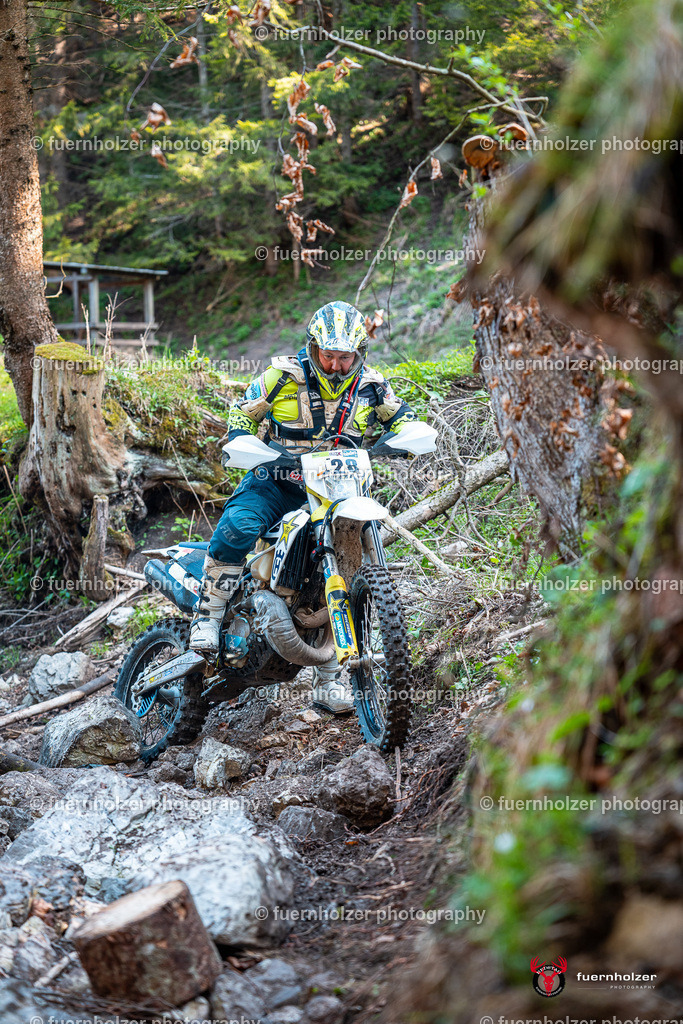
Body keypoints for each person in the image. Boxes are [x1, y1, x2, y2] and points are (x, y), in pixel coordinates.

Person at [189, 300, 416, 713]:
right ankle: (208, 614)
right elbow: (242, 416)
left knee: (341, 571)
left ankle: (330, 682)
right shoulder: (281, 376)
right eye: (327, 354)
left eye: (344, 356)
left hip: (338, 487)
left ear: (358, 353)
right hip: (278, 479)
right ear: (313, 347)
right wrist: (245, 444)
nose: (334, 364)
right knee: (239, 525)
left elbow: (401, 417)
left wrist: (410, 434)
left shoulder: (371, 385)